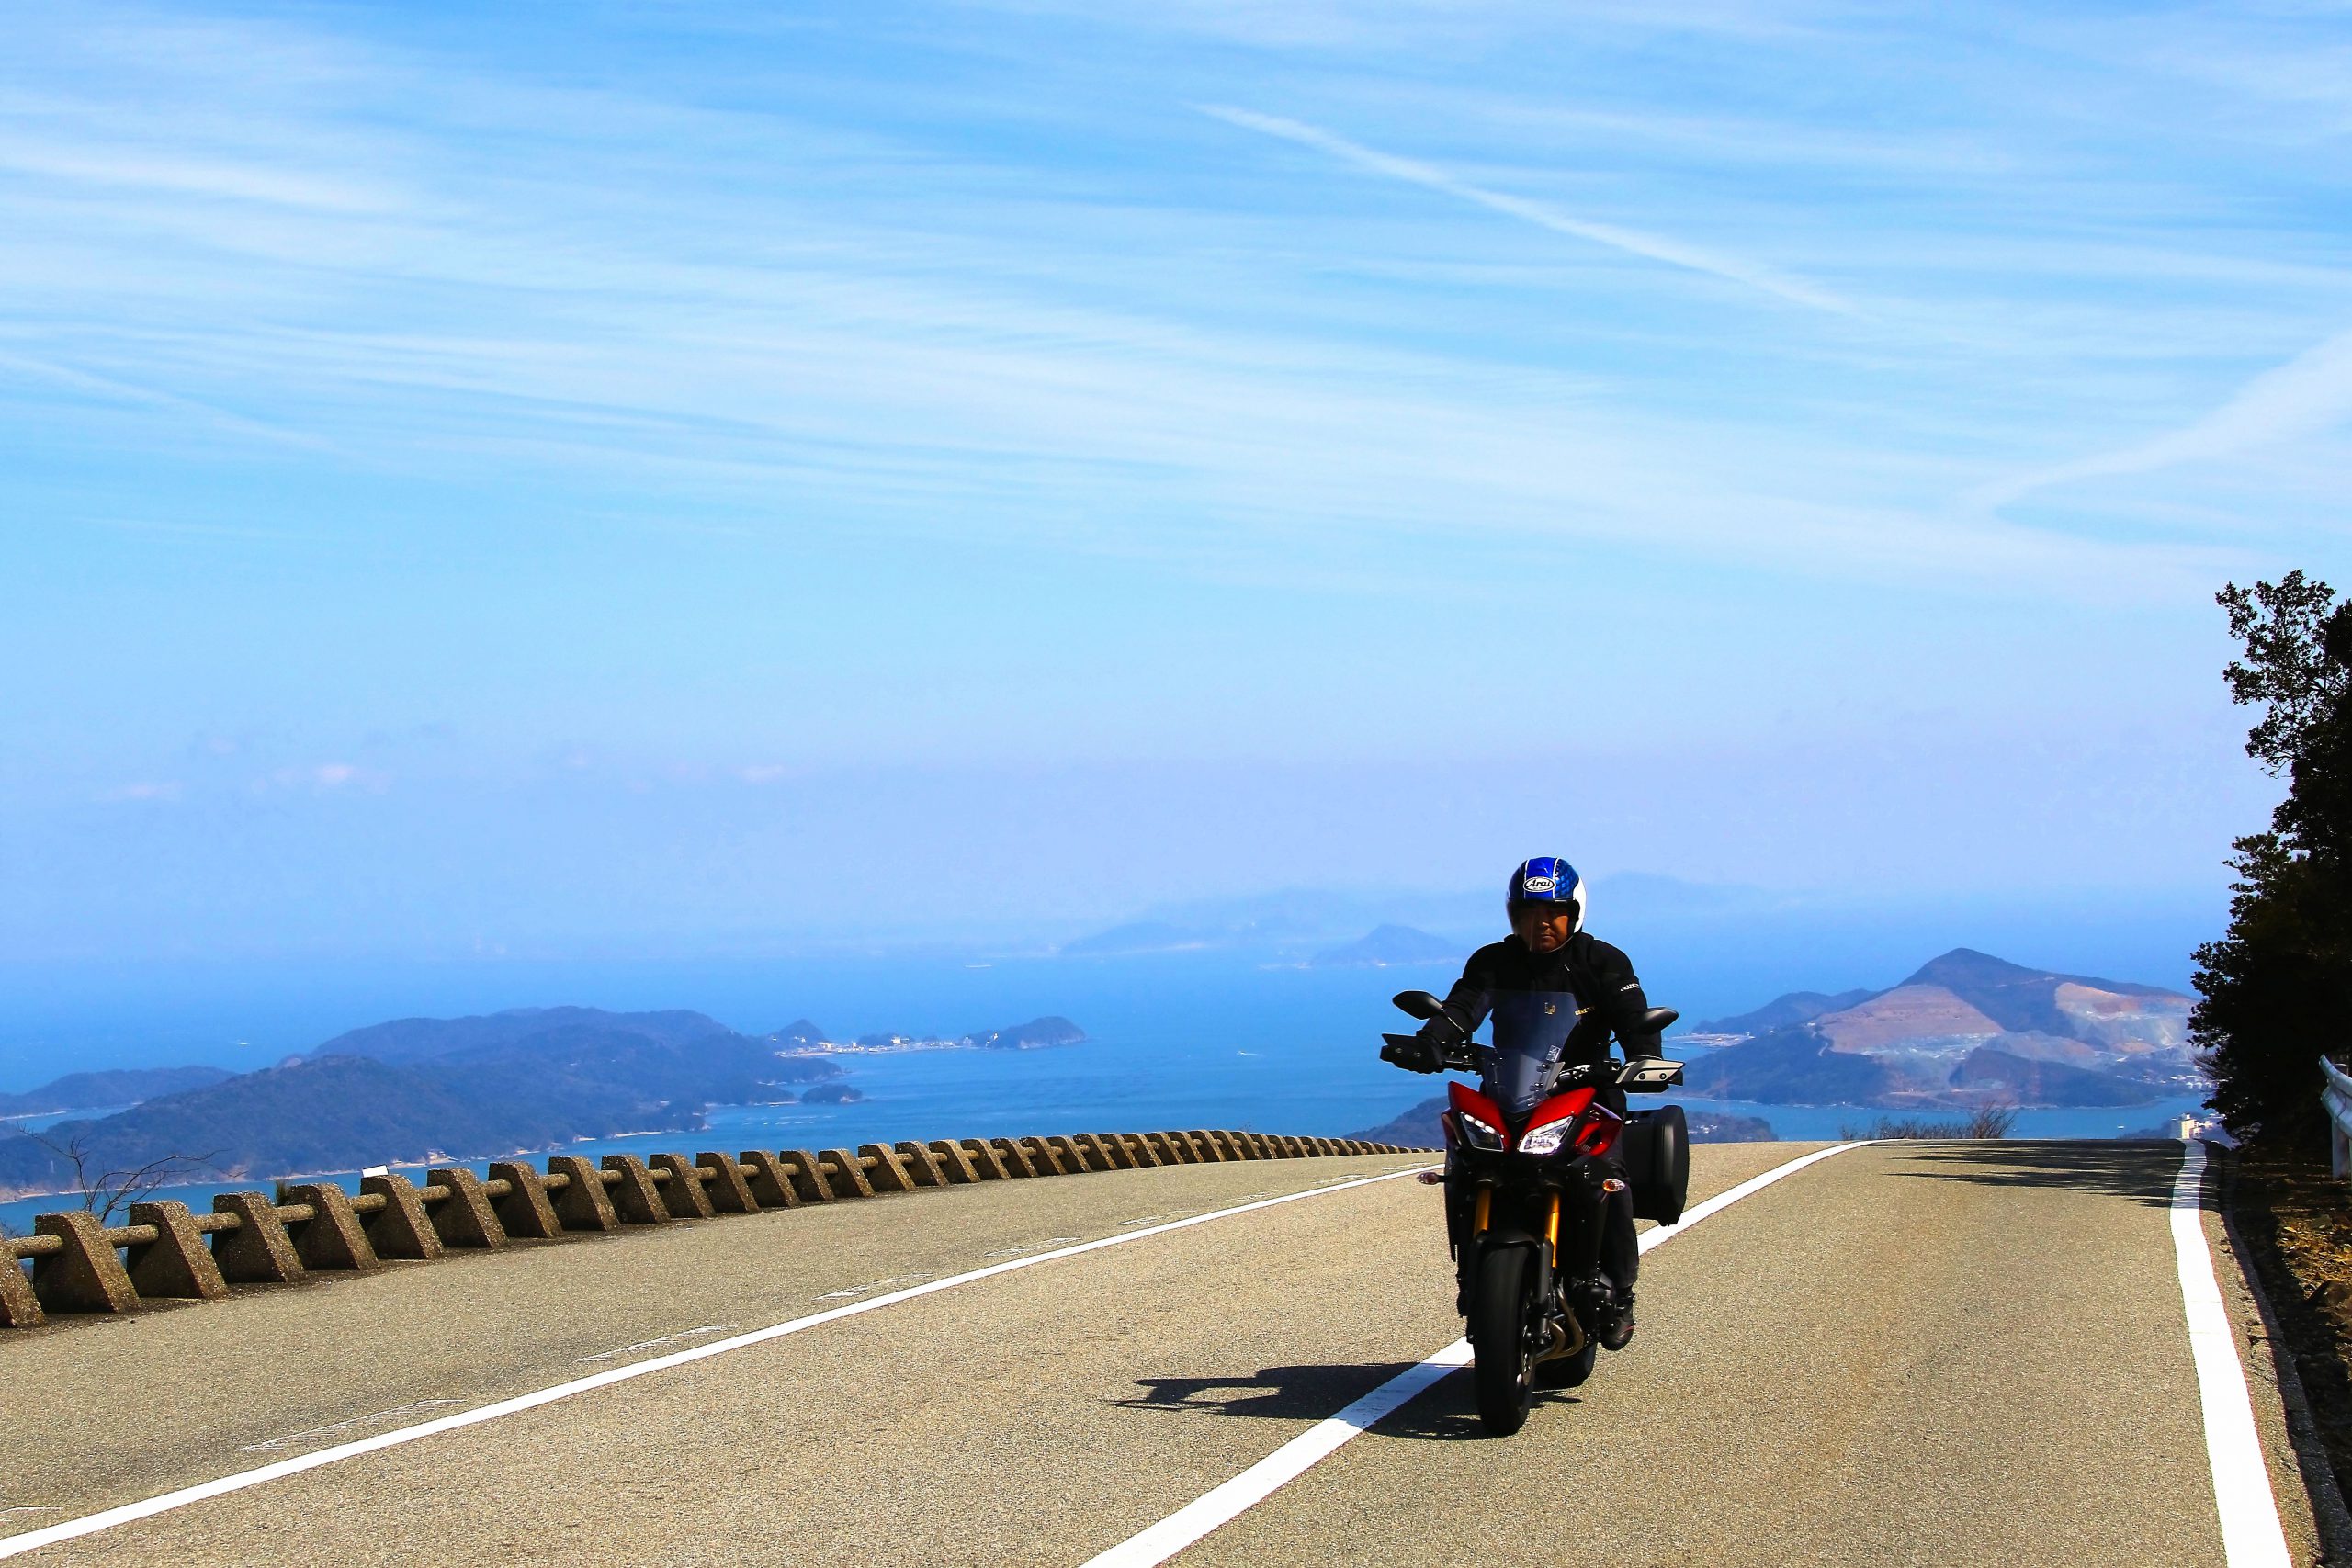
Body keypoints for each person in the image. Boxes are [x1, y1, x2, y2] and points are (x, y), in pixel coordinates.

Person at [1396, 856, 1658, 1350]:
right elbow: (1462, 1009)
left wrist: (1645, 1057)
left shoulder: (1604, 962)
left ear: (1574, 912)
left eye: (1552, 911)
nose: (1540, 923)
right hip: (1511, 1087)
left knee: (1609, 1177)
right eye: (1527, 912)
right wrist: (1432, 1042)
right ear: (1512, 914)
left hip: (1586, 1090)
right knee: (1466, 1164)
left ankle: (1621, 1291)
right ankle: (1473, 1271)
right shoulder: (1493, 961)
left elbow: (1633, 1016)